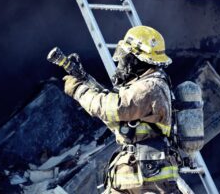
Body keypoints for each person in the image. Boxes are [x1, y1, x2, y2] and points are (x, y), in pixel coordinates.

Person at [63, 26, 180, 194]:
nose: (120, 61)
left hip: (146, 178)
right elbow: (117, 117)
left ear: (136, 59)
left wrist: (78, 90)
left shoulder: (149, 87)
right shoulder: (143, 85)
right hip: (137, 175)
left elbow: (110, 108)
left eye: (125, 56)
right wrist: (85, 79)